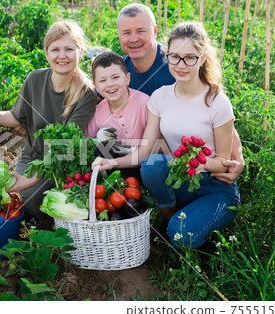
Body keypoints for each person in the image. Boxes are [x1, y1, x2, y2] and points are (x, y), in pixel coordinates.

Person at [93, 22, 240, 249]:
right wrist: (110, 162)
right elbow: (144, 152)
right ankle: (170, 217)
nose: (181, 65)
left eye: (190, 57)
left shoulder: (216, 102)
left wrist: (202, 163)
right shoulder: (160, 98)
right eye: (175, 57)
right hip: (181, 182)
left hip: (215, 187)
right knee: (153, 164)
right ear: (167, 56)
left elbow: (223, 162)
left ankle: (189, 229)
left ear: (202, 58)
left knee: (181, 236)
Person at [0, 20, 97, 225]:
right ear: (46, 53)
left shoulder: (86, 93)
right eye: (55, 49)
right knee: (11, 199)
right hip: (32, 157)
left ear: (80, 53)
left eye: (68, 49)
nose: (62, 56)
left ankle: (44, 220)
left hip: (64, 163)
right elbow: (16, 117)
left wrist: (32, 180)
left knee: (37, 201)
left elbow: (67, 146)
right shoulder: (34, 79)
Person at [116, 3, 244, 183]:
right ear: (119, 35)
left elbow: (218, 114)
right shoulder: (119, 72)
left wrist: (238, 158)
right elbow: (98, 98)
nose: (134, 38)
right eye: (126, 33)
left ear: (154, 31)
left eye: (140, 31)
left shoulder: (177, 64)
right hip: (148, 156)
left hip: (179, 159)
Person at [85, 51, 149, 181]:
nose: (110, 84)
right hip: (113, 173)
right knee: (100, 148)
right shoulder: (97, 113)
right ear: (95, 86)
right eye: (102, 80)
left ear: (127, 78)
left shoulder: (145, 103)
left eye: (115, 77)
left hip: (145, 167)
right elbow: (87, 145)